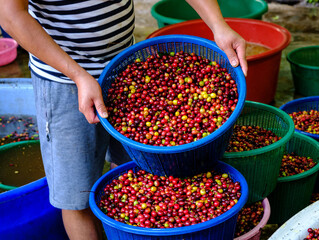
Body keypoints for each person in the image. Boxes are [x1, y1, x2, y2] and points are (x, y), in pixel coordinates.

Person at [0, 0, 248, 239]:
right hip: (64, 80)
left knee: (137, 176)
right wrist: (78, 75)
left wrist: (218, 25)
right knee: (76, 197)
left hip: (128, 71)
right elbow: (10, 15)